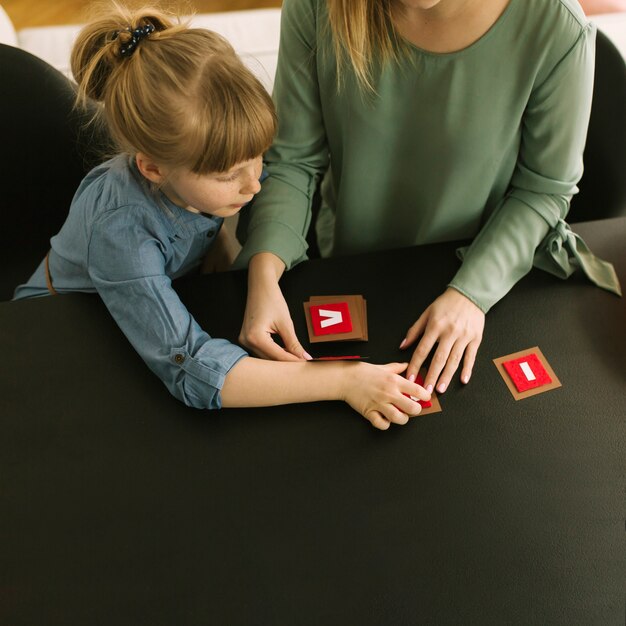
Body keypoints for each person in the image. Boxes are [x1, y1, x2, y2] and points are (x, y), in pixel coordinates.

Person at [13, 2, 430, 430]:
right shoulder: (121, 231)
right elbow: (191, 369)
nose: (254, 185)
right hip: (56, 338)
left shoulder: (196, 177)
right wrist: (344, 380)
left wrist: (223, 242)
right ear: (153, 169)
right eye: (229, 174)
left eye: (258, 159)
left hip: (158, 302)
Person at [234, 0, 621, 395]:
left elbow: (543, 190)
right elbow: (293, 160)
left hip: (483, 270)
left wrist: (471, 295)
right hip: (351, 262)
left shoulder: (555, 23)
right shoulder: (316, 7)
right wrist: (264, 275)